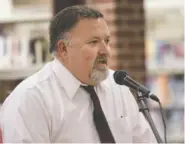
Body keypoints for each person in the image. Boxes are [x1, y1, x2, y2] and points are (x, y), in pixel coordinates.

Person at [0, 5, 157, 143]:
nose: (105, 51)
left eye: (107, 41)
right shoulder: (30, 99)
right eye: (93, 42)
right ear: (63, 49)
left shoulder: (118, 87)